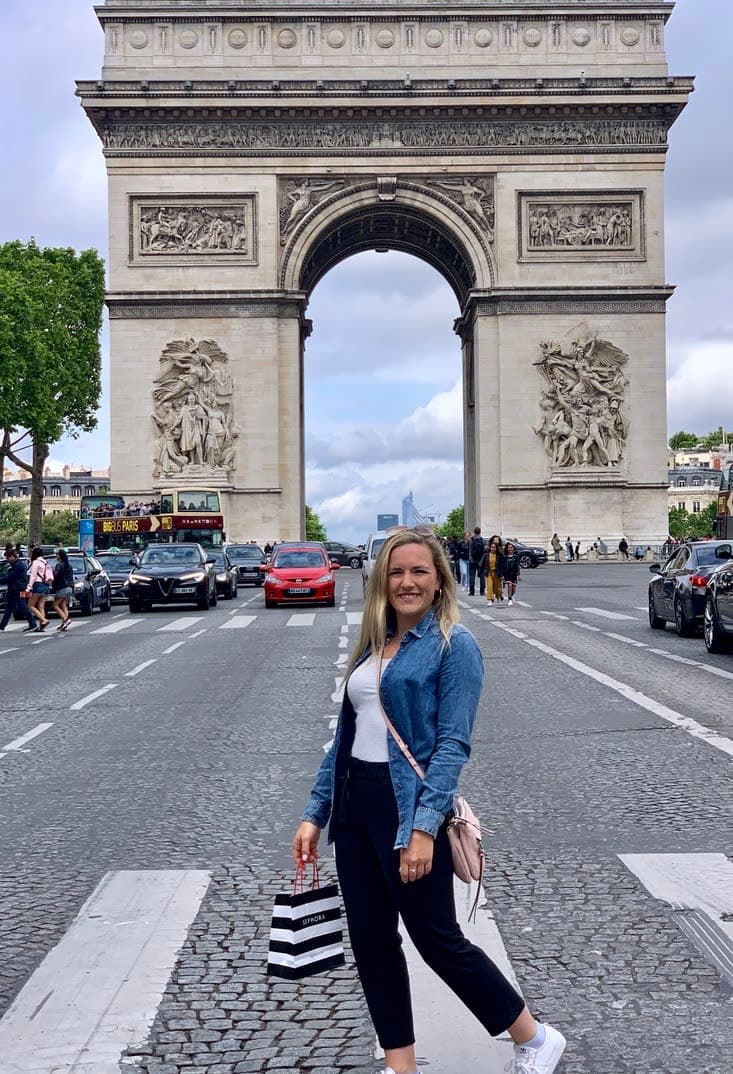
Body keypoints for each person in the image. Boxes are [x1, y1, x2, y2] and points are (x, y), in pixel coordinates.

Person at [292, 528, 566, 1074]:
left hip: (408, 808)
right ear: (381, 579)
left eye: (419, 571)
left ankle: (533, 1036)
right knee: (372, 943)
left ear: (440, 578)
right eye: (396, 572)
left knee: (436, 938)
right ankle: (401, 1066)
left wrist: (423, 827)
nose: (407, 582)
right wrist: (314, 812)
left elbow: (451, 746)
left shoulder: (453, 645)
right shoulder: (374, 641)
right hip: (354, 807)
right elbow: (346, 737)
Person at [0, 549, 36, 632]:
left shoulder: (18, 565)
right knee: (9, 607)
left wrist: (1, 579)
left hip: (19, 589)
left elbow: (11, 577)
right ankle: (2, 625)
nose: (7, 560)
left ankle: (32, 623)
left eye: (7, 558)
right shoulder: (16, 564)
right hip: (15, 589)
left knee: (22, 606)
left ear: (12, 557)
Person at [26, 547, 51, 631]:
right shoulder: (45, 562)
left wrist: (29, 587)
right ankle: (41, 626)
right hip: (46, 585)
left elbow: (33, 576)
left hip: (38, 584)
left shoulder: (35, 562)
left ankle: (44, 620)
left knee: (31, 605)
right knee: (41, 606)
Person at [51, 549, 74, 631]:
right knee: (64, 605)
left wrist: (52, 574)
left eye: (57, 554)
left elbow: (55, 575)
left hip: (62, 587)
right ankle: (63, 624)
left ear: (60, 556)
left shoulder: (59, 565)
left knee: (55, 605)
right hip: (70, 587)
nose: (56, 555)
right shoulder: (69, 565)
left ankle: (65, 619)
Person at [485, 535, 504, 605]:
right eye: (495, 539)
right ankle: (490, 599)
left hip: (497, 572)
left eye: (497, 540)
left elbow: (502, 565)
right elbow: (483, 563)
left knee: (496, 587)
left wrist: (502, 574)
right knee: (489, 586)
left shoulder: (500, 554)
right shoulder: (487, 553)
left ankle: (499, 595)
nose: (496, 541)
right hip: (488, 572)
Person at [468, 526, 486, 596]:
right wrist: (482, 561)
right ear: (480, 532)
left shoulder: (471, 540)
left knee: (472, 576)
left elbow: (470, 551)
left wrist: (470, 559)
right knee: (482, 576)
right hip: (480, 560)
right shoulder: (482, 540)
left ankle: (472, 591)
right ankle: (482, 591)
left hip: (472, 560)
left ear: (474, 532)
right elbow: (484, 552)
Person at [502, 541, 521, 605]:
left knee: (514, 589)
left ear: (513, 548)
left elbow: (517, 566)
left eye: (511, 547)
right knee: (509, 586)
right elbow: (503, 566)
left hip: (514, 574)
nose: (510, 549)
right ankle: (509, 599)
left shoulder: (516, 557)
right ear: (507, 549)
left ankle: (512, 595)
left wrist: (518, 575)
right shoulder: (504, 557)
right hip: (507, 574)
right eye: (509, 548)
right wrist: (502, 576)